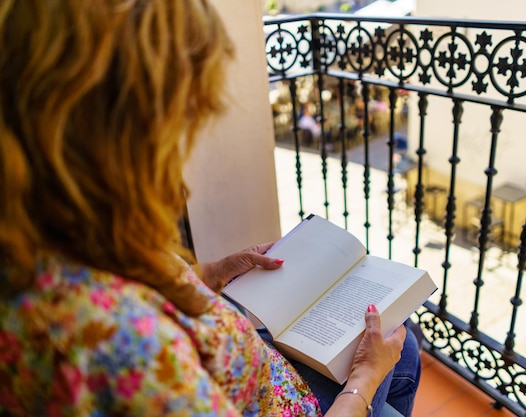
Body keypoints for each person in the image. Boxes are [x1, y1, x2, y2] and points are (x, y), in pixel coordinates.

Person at [0, 1, 420, 416]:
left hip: (259, 377)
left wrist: (214, 272)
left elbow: (155, 281)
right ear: (115, 136)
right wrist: (363, 382)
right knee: (397, 351)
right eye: (179, 121)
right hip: (285, 404)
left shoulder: (56, 232)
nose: (182, 152)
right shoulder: (128, 347)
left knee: (403, 343)